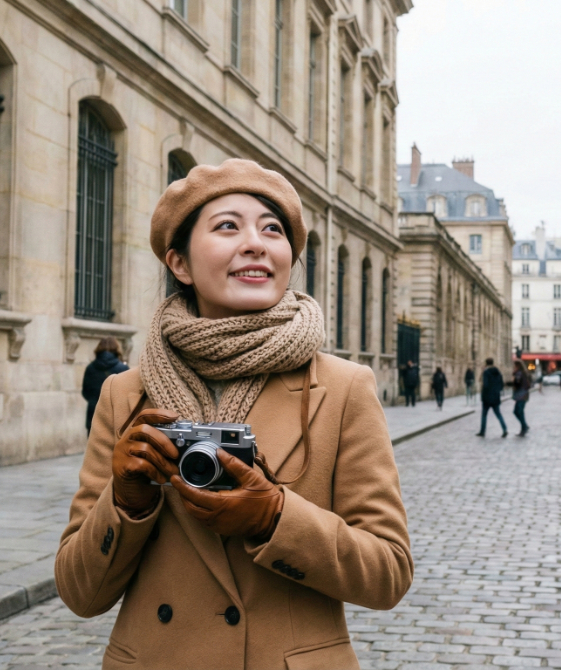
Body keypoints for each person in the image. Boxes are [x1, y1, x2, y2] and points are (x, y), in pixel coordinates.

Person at [54, 159, 412, 669]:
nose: (257, 243)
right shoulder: (125, 393)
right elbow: (78, 593)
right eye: (228, 226)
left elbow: (389, 573)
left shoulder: (342, 388)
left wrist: (275, 518)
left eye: (273, 229)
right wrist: (127, 504)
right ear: (179, 264)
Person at [82, 337, 129, 435]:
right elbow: (128, 394)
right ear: (116, 350)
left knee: (94, 449)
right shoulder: (123, 368)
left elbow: (85, 392)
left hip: (94, 414)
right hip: (116, 417)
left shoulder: (90, 368)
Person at [477, 358, 507, 438]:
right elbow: (501, 384)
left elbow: (485, 384)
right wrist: (496, 391)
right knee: (498, 414)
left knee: (484, 415)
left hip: (487, 397)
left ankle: (482, 431)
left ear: (486, 364)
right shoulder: (497, 371)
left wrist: (482, 372)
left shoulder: (486, 372)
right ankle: (505, 429)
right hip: (495, 396)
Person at [512, 360, 532, 437]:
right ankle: (524, 426)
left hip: (521, 395)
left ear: (518, 365)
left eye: (515, 365)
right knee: (519, 411)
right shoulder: (524, 372)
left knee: (518, 411)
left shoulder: (519, 373)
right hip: (524, 394)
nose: (514, 367)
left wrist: (511, 382)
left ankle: (524, 427)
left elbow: (517, 383)